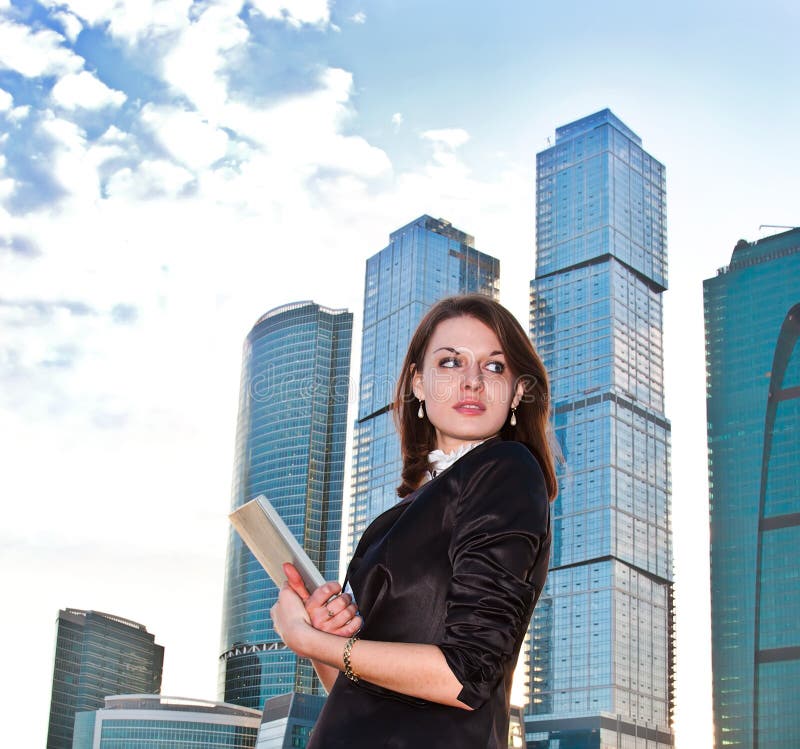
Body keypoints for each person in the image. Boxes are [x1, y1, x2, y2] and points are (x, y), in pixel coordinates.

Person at [271, 294, 557, 748]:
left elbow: (466, 676)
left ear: (518, 391)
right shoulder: (398, 517)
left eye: (495, 367)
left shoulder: (507, 468)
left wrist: (306, 639)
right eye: (450, 362)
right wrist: (328, 636)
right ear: (418, 384)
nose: (472, 382)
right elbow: (363, 698)